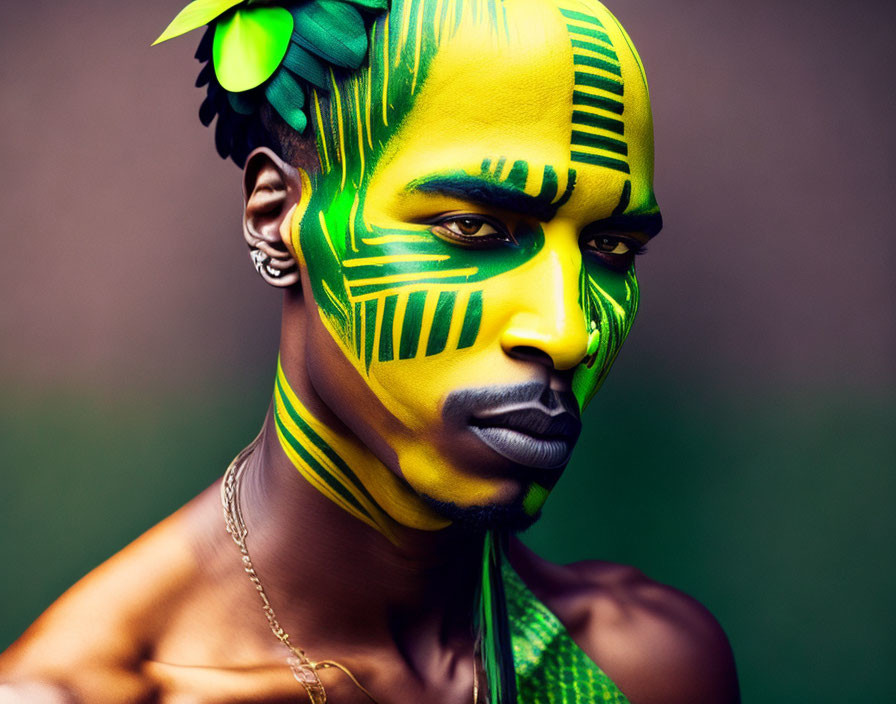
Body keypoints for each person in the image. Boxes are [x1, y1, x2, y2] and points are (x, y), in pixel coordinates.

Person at [0, 0, 740, 701]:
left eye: (610, 248)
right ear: (276, 218)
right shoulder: (94, 692)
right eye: (474, 230)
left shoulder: (646, 669)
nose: (567, 332)